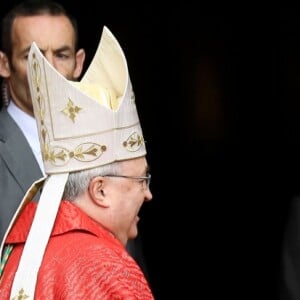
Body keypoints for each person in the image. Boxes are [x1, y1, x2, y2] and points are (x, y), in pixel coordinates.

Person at [0, 25, 154, 299]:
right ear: (100, 190)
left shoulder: (18, 256)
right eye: (142, 180)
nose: (148, 193)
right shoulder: (108, 269)